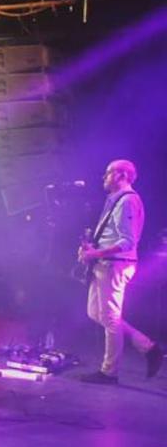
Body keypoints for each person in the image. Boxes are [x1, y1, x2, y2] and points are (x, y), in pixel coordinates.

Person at [78, 159, 163, 383]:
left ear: (121, 175)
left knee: (111, 319)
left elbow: (127, 241)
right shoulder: (117, 200)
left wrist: (95, 254)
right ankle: (148, 346)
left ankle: (109, 372)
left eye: (108, 173)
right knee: (96, 313)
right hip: (107, 263)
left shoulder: (127, 202)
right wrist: (92, 249)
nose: (104, 177)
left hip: (115, 264)